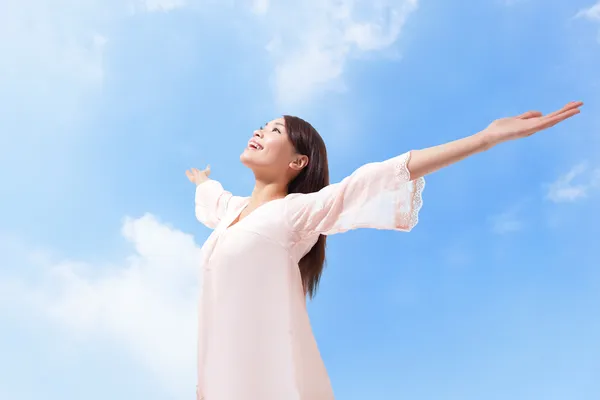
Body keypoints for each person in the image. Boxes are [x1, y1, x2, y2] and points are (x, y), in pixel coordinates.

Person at [185, 101, 582, 400]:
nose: (260, 132)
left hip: (270, 382)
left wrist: (484, 139)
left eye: (274, 131)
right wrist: (203, 179)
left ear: (298, 161)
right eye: (261, 126)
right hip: (220, 379)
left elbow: (378, 177)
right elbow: (211, 197)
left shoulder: (296, 213)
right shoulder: (231, 213)